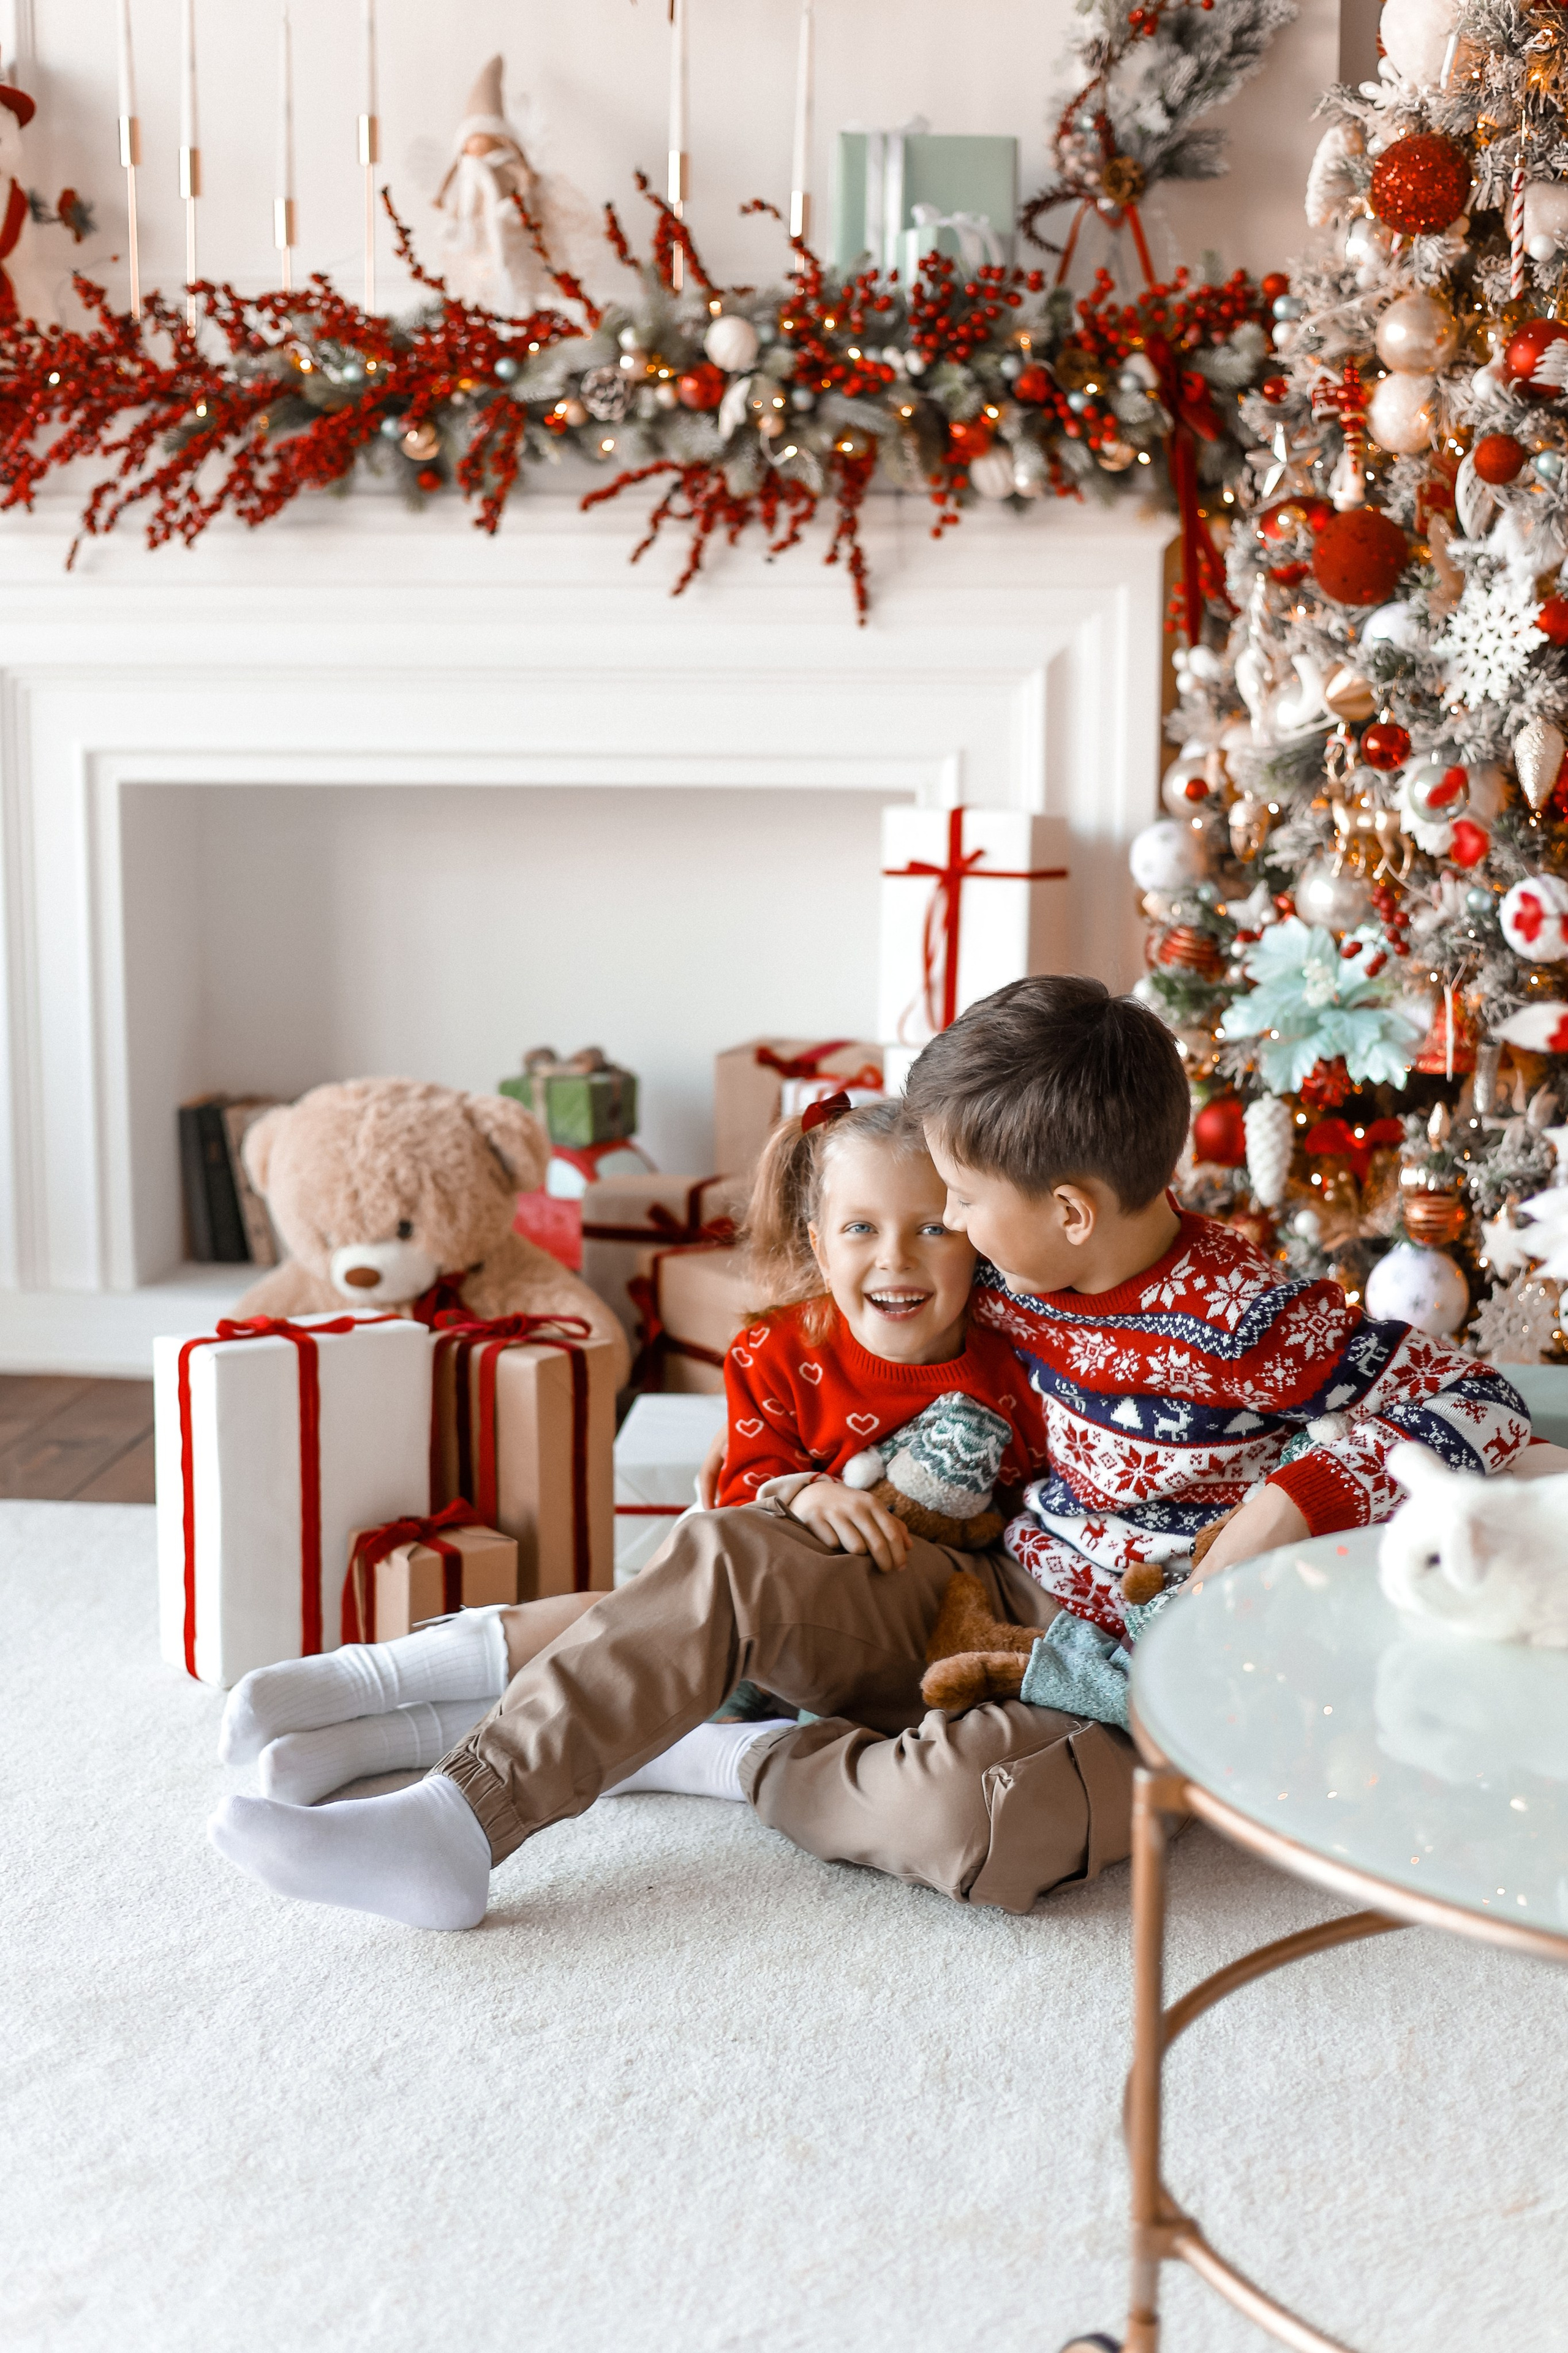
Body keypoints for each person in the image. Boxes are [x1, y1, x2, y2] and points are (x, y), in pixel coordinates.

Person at [208, 976, 1531, 1933]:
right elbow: (838, 1343)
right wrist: (803, 1484)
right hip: (974, 1591)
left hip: (1134, 1685)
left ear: (1066, 1213)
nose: (937, 1228)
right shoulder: (1012, 1281)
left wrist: (1284, 1507)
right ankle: (458, 1822)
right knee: (729, 1550)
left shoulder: (1248, 1315)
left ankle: (727, 1752)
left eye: (958, 1202)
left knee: (986, 1823)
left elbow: (1480, 1402)